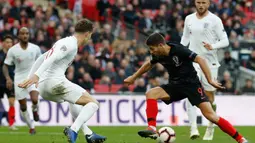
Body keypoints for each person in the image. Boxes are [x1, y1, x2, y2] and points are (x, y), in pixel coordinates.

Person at [124, 33, 248, 143]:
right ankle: (151, 127)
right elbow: (148, 65)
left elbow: (200, 59)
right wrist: (133, 77)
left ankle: (240, 139)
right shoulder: (159, 54)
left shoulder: (179, 50)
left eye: (152, 49)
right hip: (175, 86)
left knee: (211, 116)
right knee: (151, 94)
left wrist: (210, 80)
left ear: (161, 45)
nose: (151, 52)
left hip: (192, 86)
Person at [18, 19, 106, 143]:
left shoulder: (65, 42)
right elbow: (51, 58)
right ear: (87, 34)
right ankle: (74, 129)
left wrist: (31, 76)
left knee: (74, 102)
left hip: (44, 87)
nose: (89, 39)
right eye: (90, 35)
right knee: (94, 104)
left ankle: (88, 133)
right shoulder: (70, 44)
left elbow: (42, 57)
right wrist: (36, 75)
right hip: (54, 82)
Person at [181, 0, 229, 140]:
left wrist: (213, 46)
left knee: (209, 98)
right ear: (195, 3)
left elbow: (225, 41)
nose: (201, 5)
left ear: (208, 4)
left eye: (204, 2)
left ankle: (210, 126)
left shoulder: (215, 20)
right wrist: (179, 51)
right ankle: (193, 128)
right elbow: (185, 37)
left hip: (210, 63)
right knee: (190, 92)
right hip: (193, 61)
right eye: (198, 2)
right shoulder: (188, 18)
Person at [3, 28, 41, 134]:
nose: (25, 35)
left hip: (32, 77)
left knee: (34, 99)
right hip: (19, 79)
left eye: (27, 33)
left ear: (29, 35)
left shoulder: (35, 48)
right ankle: (31, 127)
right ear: (18, 36)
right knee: (23, 106)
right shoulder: (13, 50)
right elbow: (5, 66)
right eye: (23, 34)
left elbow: (42, 62)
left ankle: (35, 109)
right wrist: (8, 78)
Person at [0, 35, 17, 130]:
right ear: (3, 43)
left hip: (10, 82)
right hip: (0, 81)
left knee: (11, 102)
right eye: (7, 42)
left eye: (10, 42)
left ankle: (11, 123)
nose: (9, 44)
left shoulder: (15, 56)